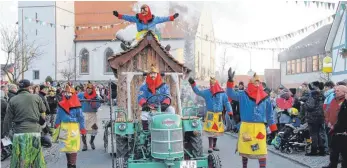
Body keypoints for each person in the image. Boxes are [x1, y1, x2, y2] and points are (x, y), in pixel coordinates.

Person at [226, 68, 277, 168]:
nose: (257, 84)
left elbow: (270, 115)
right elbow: (230, 93)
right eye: (255, 82)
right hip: (246, 127)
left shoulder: (265, 97)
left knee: (261, 150)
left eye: (258, 82)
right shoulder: (243, 95)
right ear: (250, 83)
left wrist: (273, 129)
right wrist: (230, 80)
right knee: (245, 150)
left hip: (259, 128)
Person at [2, 79, 46, 168]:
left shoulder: (13, 100)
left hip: (19, 133)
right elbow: (44, 109)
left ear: (19, 87)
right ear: (29, 87)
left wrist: (5, 133)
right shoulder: (36, 97)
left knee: (20, 160)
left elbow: (7, 119)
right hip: (34, 132)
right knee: (35, 159)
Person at [188, 76, 232, 152]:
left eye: (213, 84)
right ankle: (210, 146)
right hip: (210, 114)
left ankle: (214, 145)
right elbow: (198, 92)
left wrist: (230, 111)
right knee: (210, 131)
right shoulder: (207, 92)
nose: (212, 85)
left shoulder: (222, 93)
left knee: (216, 131)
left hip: (218, 114)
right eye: (211, 84)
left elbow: (226, 102)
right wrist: (193, 84)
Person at [113, 4, 179, 50]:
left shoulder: (154, 19)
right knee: (137, 41)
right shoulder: (137, 18)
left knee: (154, 41)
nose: (143, 12)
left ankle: (163, 49)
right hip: (141, 35)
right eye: (142, 10)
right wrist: (119, 15)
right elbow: (128, 17)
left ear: (148, 11)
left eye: (145, 10)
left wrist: (172, 17)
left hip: (151, 35)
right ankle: (130, 48)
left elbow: (163, 19)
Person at [54, 84, 86, 168]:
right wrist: (56, 124)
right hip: (64, 127)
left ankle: (72, 165)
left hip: (73, 127)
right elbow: (58, 115)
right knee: (66, 148)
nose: (68, 94)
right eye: (66, 93)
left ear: (73, 94)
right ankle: (69, 164)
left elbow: (81, 118)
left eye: (69, 93)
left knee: (73, 147)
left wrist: (82, 129)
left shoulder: (77, 106)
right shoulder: (61, 104)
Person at [137, 65, 175, 130]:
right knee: (144, 115)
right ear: (148, 75)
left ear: (157, 75)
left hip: (162, 106)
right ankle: (146, 132)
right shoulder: (144, 87)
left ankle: (170, 129)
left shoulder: (164, 86)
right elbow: (141, 97)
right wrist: (144, 104)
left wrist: (165, 104)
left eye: (154, 73)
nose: (153, 75)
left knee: (171, 109)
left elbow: (167, 96)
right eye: (151, 74)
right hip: (150, 107)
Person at [322, 85, 347, 168]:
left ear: (344, 92)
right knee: (333, 150)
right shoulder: (333, 100)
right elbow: (328, 111)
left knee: (344, 152)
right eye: (335, 90)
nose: (335, 92)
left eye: (338, 91)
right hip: (334, 127)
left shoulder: (345, 102)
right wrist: (328, 120)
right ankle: (332, 165)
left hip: (342, 130)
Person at [303, 81, 326, 156]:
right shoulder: (322, 95)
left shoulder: (313, 95)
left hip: (312, 117)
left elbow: (310, 107)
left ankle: (314, 150)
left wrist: (304, 104)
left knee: (314, 134)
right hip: (320, 117)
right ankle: (322, 150)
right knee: (319, 134)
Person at [78, 81, 101, 151]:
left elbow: (99, 103)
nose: (89, 89)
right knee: (83, 130)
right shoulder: (81, 95)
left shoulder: (96, 96)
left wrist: (94, 101)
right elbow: (74, 98)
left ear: (92, 89)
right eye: (88, 88)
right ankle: (85, 145)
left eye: (90, 88)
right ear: (86, 89)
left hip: (93, 115)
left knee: (94, 129)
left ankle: (91, 142)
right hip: (83, 114)